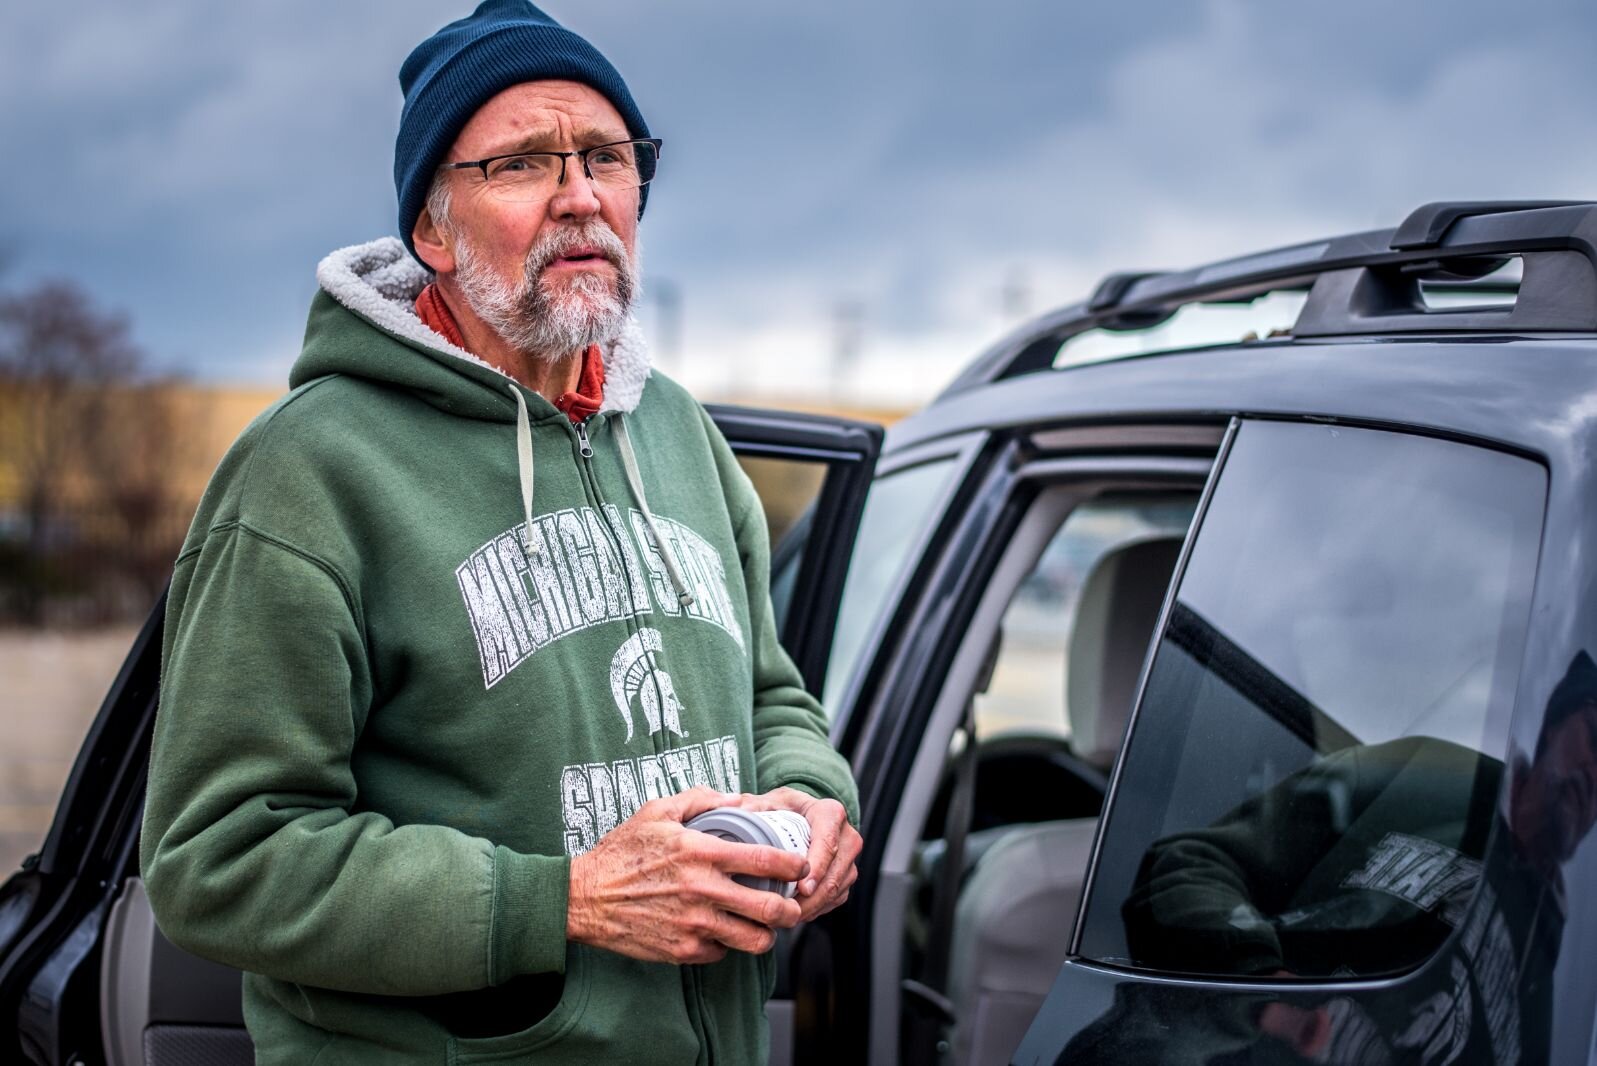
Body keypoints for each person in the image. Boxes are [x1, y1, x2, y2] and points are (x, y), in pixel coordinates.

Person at [138, 2, 862, 1062]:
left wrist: (810, 795)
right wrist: (558, 900)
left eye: (607, 157)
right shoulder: (310, 474)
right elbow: (220, 859)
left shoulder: (678, 432)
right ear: (432, 229)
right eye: (523, 165)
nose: (581, 198)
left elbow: (769, 692)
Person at [1103, 651, 1597, 1064]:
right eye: (1595, 733)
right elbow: (1187, 866)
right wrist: (1265, 994)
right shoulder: (1427, 778)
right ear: (1554, 716)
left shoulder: (1569, 977)